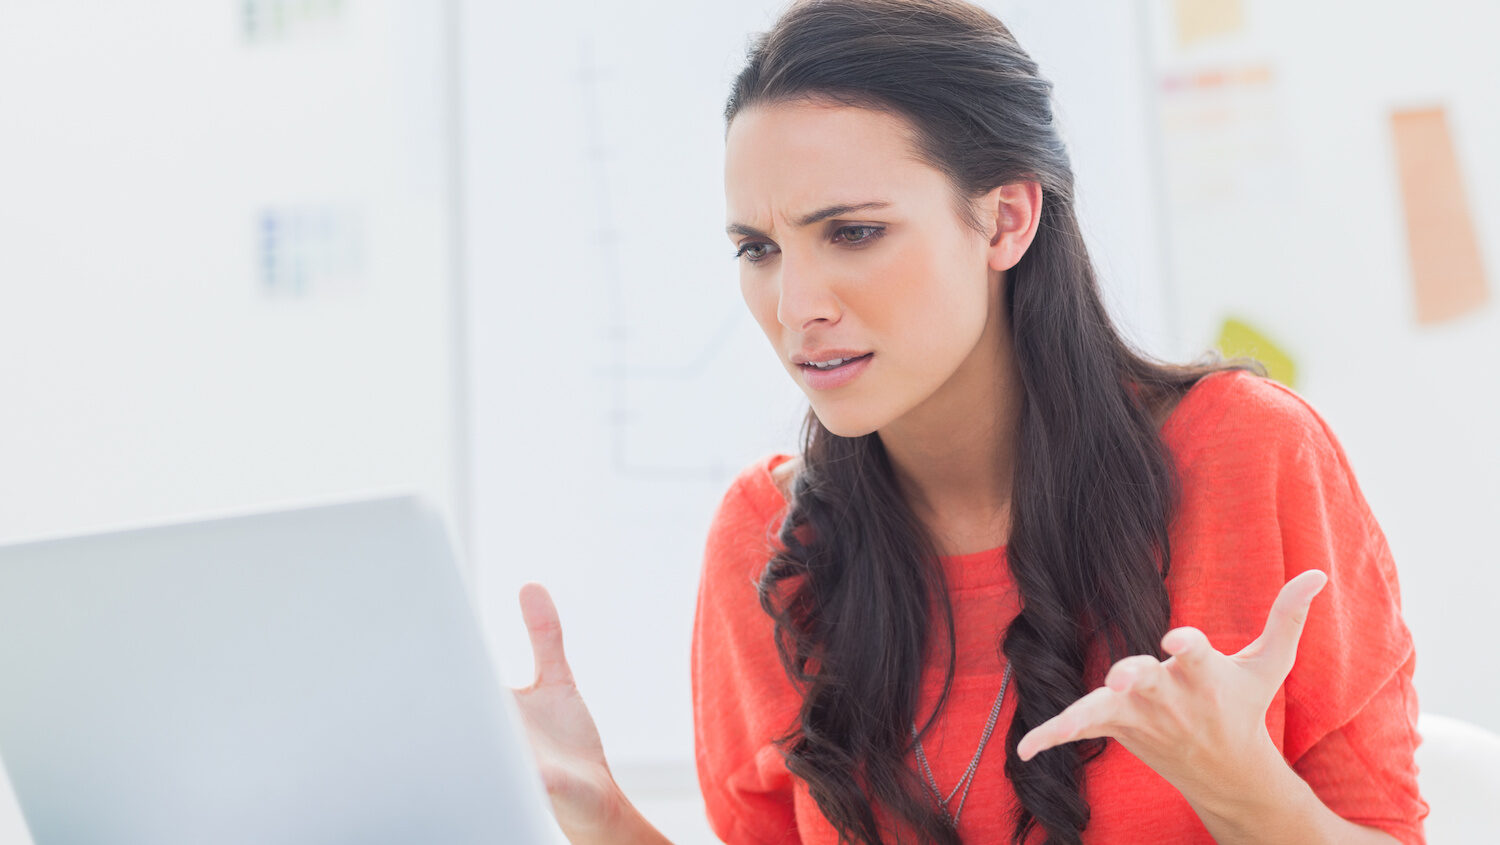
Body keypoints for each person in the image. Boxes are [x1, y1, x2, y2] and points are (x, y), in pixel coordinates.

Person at [509, 1, 1428, 842]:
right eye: (758, 248)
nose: (793, 306)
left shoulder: (1248, 454)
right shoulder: (767, 540)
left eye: (854, 232)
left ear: (1004, 221)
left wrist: (1241, 788)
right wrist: (600, 814)